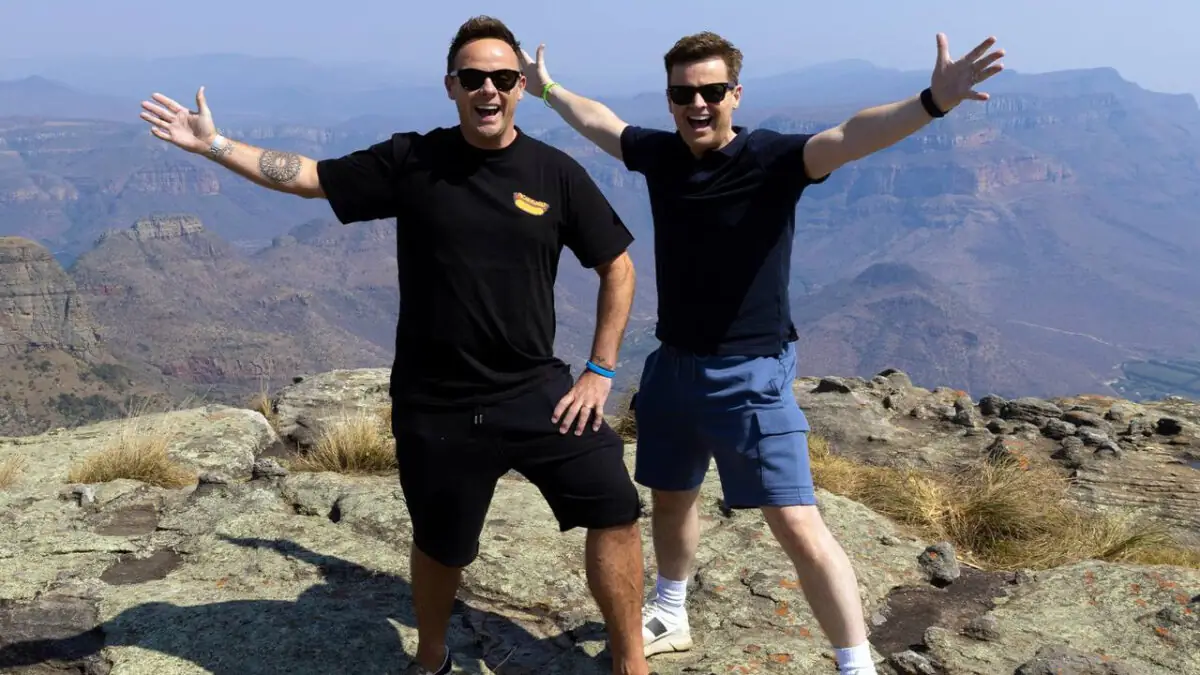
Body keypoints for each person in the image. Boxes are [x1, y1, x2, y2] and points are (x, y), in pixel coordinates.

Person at [139, 16, 655, 675]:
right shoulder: (413, 160)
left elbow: (618, 266)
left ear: (521, 86)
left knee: (614, 505)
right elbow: (307, 175)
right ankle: (431, 657)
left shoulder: (555, 172)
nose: (489, 90)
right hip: (436, 401)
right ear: (451, 86)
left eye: (503, 77)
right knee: (442, 546)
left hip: (535, 389)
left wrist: (600, 370)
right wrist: (213, 145)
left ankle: (631, 662)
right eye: (474, 78)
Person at [520, 29, 1004, 675]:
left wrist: (931, 102)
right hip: (674, 364)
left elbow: (850, 136)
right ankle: (671, 610)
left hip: (750, 373)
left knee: (797, 522)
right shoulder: (662, 155)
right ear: (670, 99)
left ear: (736, 94)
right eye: (683, 94)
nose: (697, 104)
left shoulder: (772, 158)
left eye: (712, 91)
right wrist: (547, 89)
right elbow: (600, 122)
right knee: (671, 494)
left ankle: (855, 664)